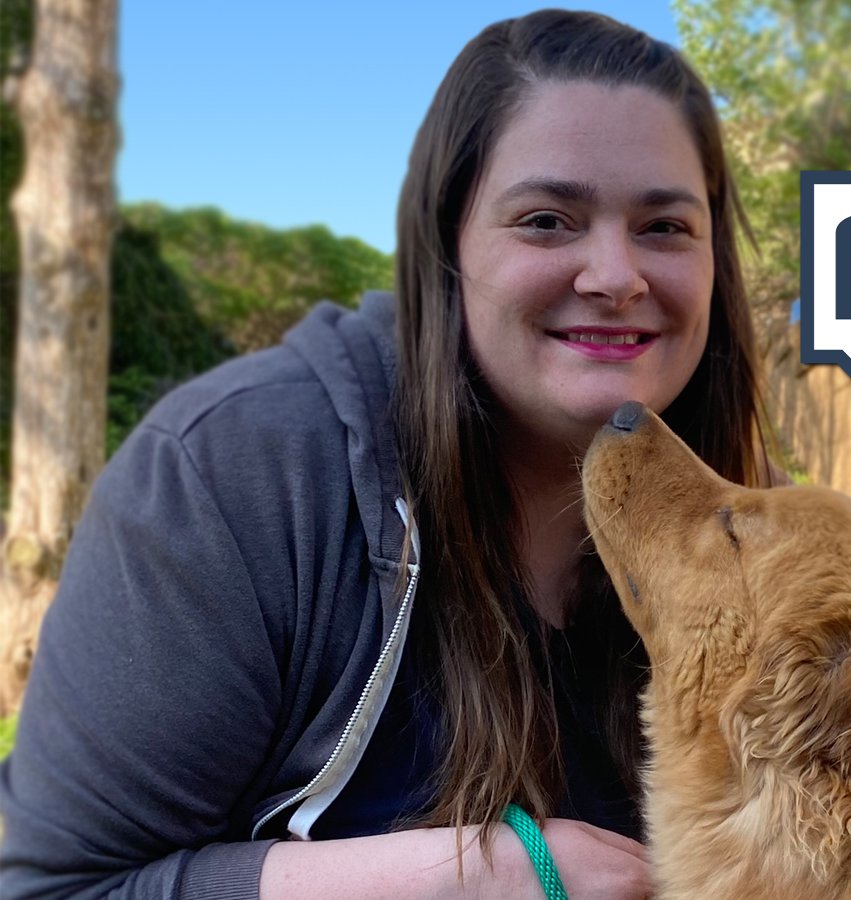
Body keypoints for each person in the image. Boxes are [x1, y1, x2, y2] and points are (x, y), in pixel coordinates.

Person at [0, 9, 769, 899]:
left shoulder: (759, 542)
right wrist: (483, 876)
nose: (615, 274)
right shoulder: (231, 480)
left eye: (665, 227)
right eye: (549, 220)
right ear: (446, 247)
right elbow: (51, 888)